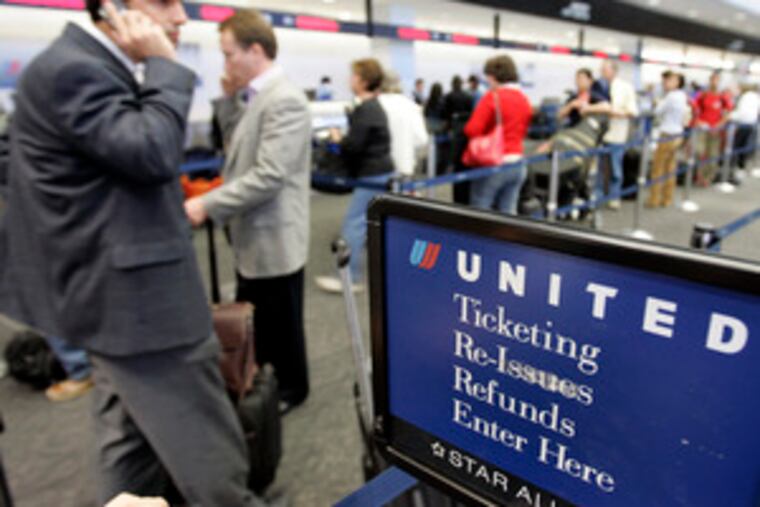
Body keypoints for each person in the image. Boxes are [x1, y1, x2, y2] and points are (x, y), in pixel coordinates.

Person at [0, 1, 266, 505]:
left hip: (107, 298)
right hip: (139, 306)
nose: (181, 17)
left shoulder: (72, 66)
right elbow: (152, 151)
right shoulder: (76, 69)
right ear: (115, 8)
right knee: (211, 460)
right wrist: (166, 64)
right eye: (165, 2)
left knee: (127, 445)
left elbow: (17, 159)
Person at [185, 9, 311, 413]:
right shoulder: (255, 98)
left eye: (228, 54)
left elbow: (270, 175)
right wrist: (226, 95)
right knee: (262, 319)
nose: (225, 63)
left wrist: (207, 203)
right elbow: (234, 147)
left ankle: (291, 389)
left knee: (281, 322)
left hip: (273, 233)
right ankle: (268, 382)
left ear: (254, 50)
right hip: (253, 232)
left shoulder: (284, 99)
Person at [315, 58, 394, 293]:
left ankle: (349, 278)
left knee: (354, 223)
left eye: (354, 76)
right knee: (365, 223)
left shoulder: (367, 109)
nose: (350, 80)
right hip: (379, 172)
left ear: (364, 80)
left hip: (372, 174)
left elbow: (354, 146)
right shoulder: (372, 107)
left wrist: (338, 140)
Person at [464, 54, 532, 215]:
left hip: (494, 163)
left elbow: (471, 129)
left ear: (493, 77)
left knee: (480, 210)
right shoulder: (524, 99)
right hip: (518, 163)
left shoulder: (492, 97)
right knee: (508, 212)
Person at [582, 60, 639, 210]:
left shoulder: (625, 87)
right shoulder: (598, 87)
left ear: (613, 71)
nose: (602, 73)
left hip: (616, 135)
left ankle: (614, 197)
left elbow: (633, 111)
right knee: (599, 168)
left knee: (615, 168)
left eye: (605, 70)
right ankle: (598, 195)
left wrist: (614, 112)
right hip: (599, 134)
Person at [647, 71, 689, 208]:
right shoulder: (682, 96)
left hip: (667, 134)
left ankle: (654, 199)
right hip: (678, 134)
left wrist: (656, 100)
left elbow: (657, 111)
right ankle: (667, 199)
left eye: (668, 80)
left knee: (657, 168)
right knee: (670, 169)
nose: (665, 83)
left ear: (677, 82)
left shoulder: (671, 96)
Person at [377, 71, 428, 177]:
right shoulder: (411, 106)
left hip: (377, 168)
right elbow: (422, 139)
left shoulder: (372, 105)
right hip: (404, 165)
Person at [694, 71, 732, 186]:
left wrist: (719, 125)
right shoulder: (703, 95)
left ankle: (708, 177)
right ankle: (699, 174)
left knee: (713, 154)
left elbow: (728, 113)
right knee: (699, 151)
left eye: (717, 80)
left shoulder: (722, 97)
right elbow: (694, 109)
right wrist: (698, 121)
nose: (714, 82)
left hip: (715, 130)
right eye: (712, 80)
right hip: (703, 128)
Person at [443, 75, 474, 204]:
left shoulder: (448, 96)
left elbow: (445, 113)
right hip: (466, 132)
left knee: (455, 163)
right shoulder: (468, 96)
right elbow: (471, 112)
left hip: (454, 131)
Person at [729, 82, 760, 183]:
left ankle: (735, 169)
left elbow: (741, 113)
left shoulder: (745, 97)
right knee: (744, 147)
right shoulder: (755, 97)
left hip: (743, 125)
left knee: (737, 147)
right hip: (751, 124)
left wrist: (730, 116)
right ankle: (740, 168)